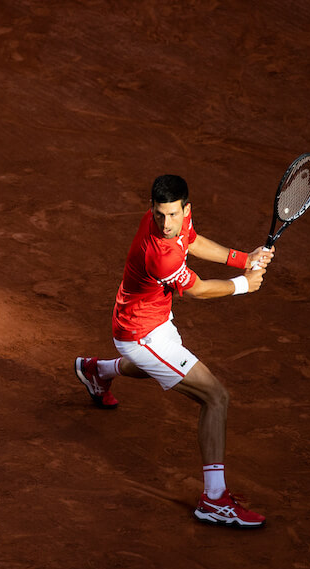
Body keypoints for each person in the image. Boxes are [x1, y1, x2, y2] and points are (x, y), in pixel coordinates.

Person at [75, 174, 273, 529]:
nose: (167, 224)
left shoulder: (178, 224)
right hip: (142, 334)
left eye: (173, 215)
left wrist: (244, 259)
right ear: (152, 209)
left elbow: (192, 240)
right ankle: (214, 500)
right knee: (216, 397)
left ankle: (98, 371)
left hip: (149, 318)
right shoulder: (159, 254)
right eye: (160, 215)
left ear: (185, 209)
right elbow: (197, 290)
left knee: (157, 367)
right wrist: (243, 284)